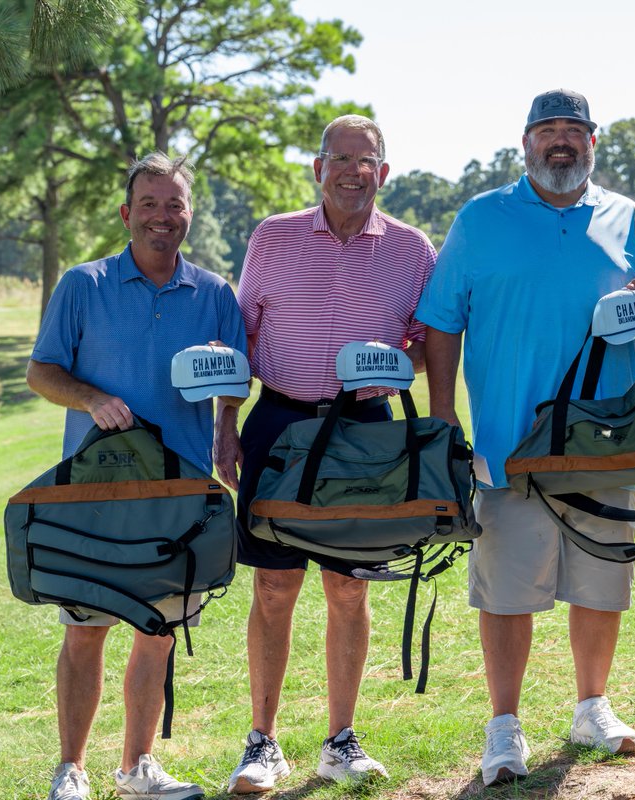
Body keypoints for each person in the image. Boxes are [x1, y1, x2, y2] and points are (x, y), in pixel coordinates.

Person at [416, 89, 635, 786]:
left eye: (574, 130)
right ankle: (503, 728)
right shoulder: (481, 219)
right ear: (526, 142)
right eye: (548, 131)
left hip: (607, 441)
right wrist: (444, 414)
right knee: (507, 589)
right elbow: (442, 321)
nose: (561, 142)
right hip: (509, 443)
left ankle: (591, 707)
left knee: (601, 581)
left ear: (593, 142)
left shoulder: (629, 217)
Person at [225, 114, 435, 794]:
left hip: (363, 432)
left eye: (365, 160)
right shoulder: (273, 237)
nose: (352, 171)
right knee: (275, 585)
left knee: (348, 589)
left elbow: (428, 342)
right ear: (318, 169)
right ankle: (262, 743)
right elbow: (240, 334)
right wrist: (226, 424)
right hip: (279, 421)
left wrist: (406, 364)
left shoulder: (412, 251)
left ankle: (340, 741)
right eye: (339, 159)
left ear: (384, 172)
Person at [27, 153, 247, 800]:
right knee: (86, 629)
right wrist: (91, 398)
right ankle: (71, 769)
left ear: (189, 215)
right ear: (127, 214)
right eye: (149, 204)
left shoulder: (214, 294)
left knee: (156, 632)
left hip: (179, 496)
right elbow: (43, 372)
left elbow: (238, 379)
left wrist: (226, 401)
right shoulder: (83, 284)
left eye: (174, 204)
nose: (162, 216)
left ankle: (137, 767)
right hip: (98, 494)